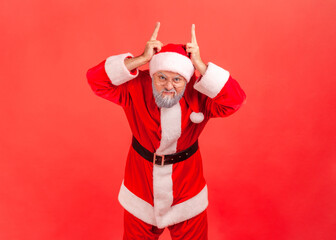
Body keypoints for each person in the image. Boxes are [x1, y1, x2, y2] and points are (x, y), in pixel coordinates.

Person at [86, 22, 246, 240]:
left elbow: (235, 100)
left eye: (177, 79)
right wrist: (140, 59)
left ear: (187, 79)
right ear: (152, 75)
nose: (169, 86)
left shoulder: (199, 91)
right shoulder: (137, 86)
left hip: (187, 189)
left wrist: (200, 65)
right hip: (140, 187)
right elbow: (96, 80)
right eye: (162, 77)